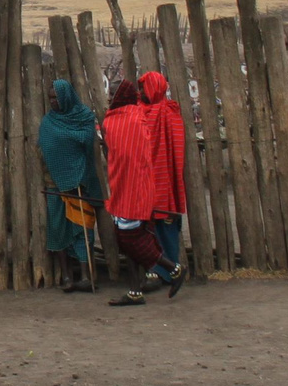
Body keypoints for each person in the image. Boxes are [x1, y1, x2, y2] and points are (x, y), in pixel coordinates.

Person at [100, 79, 185, 304]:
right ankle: (135, 291)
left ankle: (174, 268)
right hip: (135, 185)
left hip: (130, 188)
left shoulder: (116, 120)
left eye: (112, 93)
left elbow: (115, 150)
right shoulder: (139, 116)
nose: (109, 97)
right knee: (133, 238)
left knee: (129, 239)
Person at [38, 77, 107, 293]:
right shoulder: (48, 123)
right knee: (58, 229)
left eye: (56, 98)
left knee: (82, 230)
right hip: (54, 183)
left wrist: (68, 143)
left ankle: (87, 276)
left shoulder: (84, 117)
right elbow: (46, 148)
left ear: (66, 97)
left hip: (80, 181)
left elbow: (87, 141)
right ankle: (67, 276)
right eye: (50, 99)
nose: (53, 103)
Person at [136, 70, 191, 272]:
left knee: (165, 225)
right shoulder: (138, 111)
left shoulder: (170, 113)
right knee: (145, 228)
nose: (139, 92)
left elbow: (175, 151)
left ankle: (168, 273)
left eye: (143, 87)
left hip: (165, 179)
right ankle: (154, 272)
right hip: (144, 179)